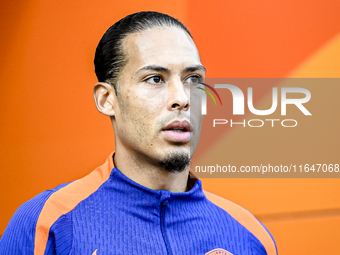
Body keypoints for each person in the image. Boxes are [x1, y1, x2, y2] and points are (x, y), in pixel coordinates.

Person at [0, 11, 277, 255]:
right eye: (155, 79)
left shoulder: (250, 237)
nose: (182, 98)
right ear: (107, 99)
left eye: (193, 79)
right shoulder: (48, 224)